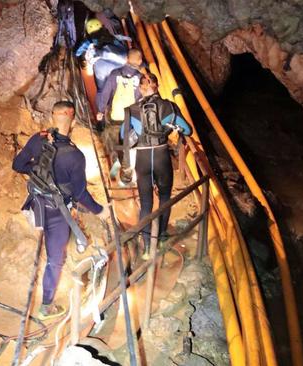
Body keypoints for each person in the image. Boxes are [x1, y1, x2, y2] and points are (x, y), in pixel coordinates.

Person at [12, 101, 110, 319]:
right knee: (55, 259)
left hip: (35, 205)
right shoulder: (75, 156)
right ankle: (46, 306)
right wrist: (99, 210)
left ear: (51, 117)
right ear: (73, 121)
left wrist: (37, 173)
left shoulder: (38, 139)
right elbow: (80, 194)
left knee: (50, 242)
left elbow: (18, 165)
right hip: (58, 214)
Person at [119, 75, 192, 259]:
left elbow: (123, 134)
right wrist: (171, 127)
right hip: (161, 157)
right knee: (165, 199)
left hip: (142, 160)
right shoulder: (169, 106)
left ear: (141, 88)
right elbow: (188, 129)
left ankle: (146, 248)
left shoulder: (131, 110)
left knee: (146, 203)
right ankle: (159, 238)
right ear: (157, 86)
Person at [75, 18, 130, 94]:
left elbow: (78, 52)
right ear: (101, 26)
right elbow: (119, 45)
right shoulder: (109, 35)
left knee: (103, 87)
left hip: (102, 63)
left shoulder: (89, 40)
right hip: (117, 60)